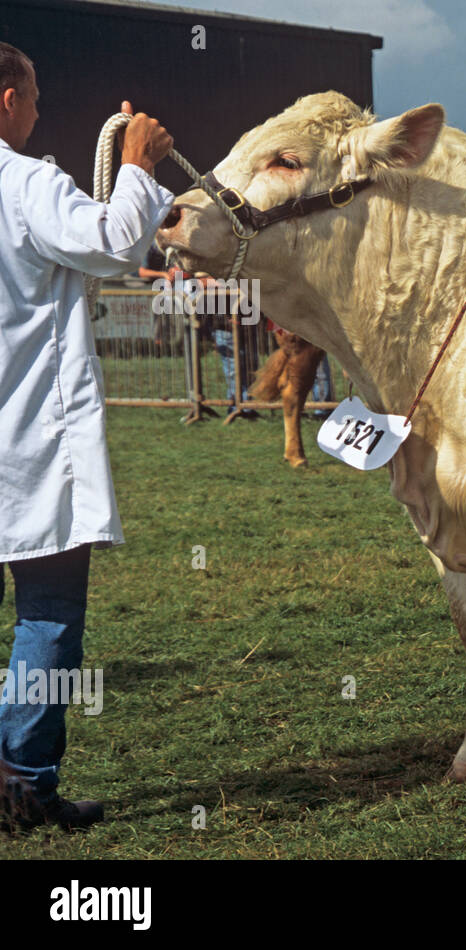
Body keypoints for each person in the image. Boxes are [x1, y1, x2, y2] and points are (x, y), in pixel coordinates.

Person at [0, 42, 174, 830]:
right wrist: (136, 161)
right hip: (28, 443)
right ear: (9, 100)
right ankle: (25, 781)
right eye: (33, 97)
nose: (37, 112)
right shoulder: (26, 182)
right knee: (47, 613)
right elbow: (112, 247)